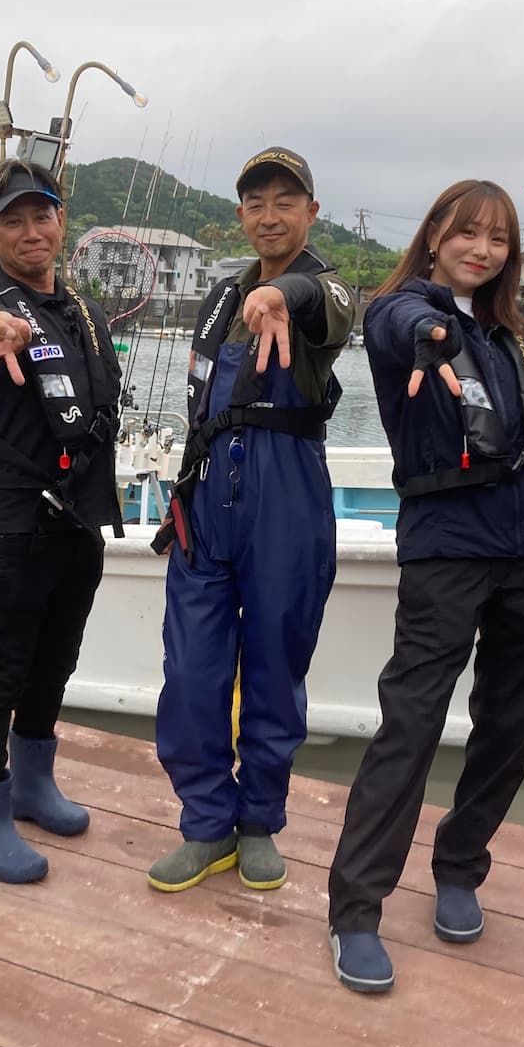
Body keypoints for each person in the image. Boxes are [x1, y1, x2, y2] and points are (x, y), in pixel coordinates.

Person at [325, 176, 524, 992]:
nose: (481, 249)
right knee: (412, 725)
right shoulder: (401, 313)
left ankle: (460, 866)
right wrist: (432, 335)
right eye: (466, 233)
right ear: (435, 237)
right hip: (448, 548)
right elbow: (398, 325)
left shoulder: (521, 330)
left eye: (497, 239)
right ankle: (356, 910)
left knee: (510, 723)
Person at [147, 147, 356, 893]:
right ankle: (206, 825)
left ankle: (260, 820)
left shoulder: (327, 290)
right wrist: (183, 494)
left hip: (287, 493)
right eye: (256, 203)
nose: (270, 215)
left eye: (285, 201)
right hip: (207, 494)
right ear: (241, 215)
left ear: (311, 212)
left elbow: (325, 304)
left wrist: (282, 298)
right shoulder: (216, 298)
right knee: (192, 670)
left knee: (275, 666)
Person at [0, 159, 123, 884]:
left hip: (75, 523)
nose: (31, 232)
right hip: (13, 529)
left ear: (61, 222)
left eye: (42, 215)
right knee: (3, 670)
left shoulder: (78, 309)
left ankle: (32, 785)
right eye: (12, 221)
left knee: (56, 663)